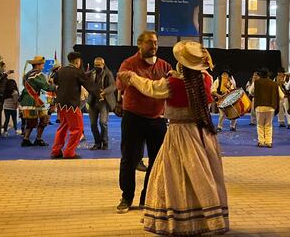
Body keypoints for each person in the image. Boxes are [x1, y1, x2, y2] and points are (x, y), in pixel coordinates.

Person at [118, 40, 229, 236]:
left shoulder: (173, 83)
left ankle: (181, 218)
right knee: (203, 174)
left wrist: (132, 77)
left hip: (179, 135)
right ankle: (207, 215)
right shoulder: (205, 79)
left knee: (174, 176)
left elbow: (150, 88)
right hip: (202, 134)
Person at [116, 30, 172, 213]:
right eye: (149, 42)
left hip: (157, 119)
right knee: (129, 159)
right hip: (133, 117)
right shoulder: (129, 64)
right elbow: (120, 85)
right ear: (140, 44)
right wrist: (124, 80)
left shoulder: (165, 66)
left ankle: (146, 197)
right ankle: (126, 197)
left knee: (157, 161)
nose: (154, 46)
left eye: (155, 42)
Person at [50, 52, 101, 159]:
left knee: (63, 127)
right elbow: (89, 85)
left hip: (60, 103)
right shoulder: (77, 72)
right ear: (77, 61)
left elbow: (55, 81)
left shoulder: (61, 71)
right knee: (77, 128)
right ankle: (69, 152)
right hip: (71, 104)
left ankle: (56, 150)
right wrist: (99, 94)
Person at [20, 56, 56, 147]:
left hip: (30, 99)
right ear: (37, 65)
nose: (43, 66)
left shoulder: (28, 74)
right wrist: (55, 86)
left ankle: (28, 139)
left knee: (33, 120)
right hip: (32, 99)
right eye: (42, 64)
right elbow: (46, 87)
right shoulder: (37, 75)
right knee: (42, 119)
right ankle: (35, 139)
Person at [87, 57, 116, 150]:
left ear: (103, 65)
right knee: (93, 124)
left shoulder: (108, 73)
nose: (96, 67)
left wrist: (105, 91)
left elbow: (113, 86)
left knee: (103, 123)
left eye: (98, 65)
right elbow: (82, 77)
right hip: (92, 102)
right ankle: (97, 143)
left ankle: (105, 142)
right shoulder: (91, 73)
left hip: (103, 102)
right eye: (95, 65)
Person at [250, 67, 283, 148]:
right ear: (268, 75)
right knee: (269, 125)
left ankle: (261, 142)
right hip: (271, 107)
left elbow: (251, 92)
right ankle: (269, 142)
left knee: (260, 125)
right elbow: (281, 96)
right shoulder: (274, 84)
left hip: (259, 107)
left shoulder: (256, 83)